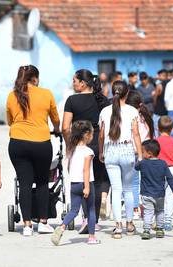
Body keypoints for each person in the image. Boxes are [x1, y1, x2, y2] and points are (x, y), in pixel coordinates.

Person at [6, 65, 60, 236]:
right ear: (35, 79)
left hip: (18, 143)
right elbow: (55, 119)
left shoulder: (12, 95)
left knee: (25, 184)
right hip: (41, 143)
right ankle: (43, 222)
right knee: (43, 182)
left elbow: (9, 121)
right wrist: (57, 129)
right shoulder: (46, 93)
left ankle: (27, 225)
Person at [62, 69, 109, 233]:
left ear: (82, 83)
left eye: (74, 80)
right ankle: (94, 218)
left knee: (82, 181)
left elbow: (65, 128)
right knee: (97, 180)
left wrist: (70, 145)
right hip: (99, 143)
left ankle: (86, 219)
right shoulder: (103, 100)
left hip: (80, 145)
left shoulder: (72, 100)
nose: (73, 83)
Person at [99, 80, 142, 239]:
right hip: (127, 151)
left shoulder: (104, 111)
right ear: (127, 92)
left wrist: (101, 152)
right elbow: (136, 134)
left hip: (110, 150)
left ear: (112, 92)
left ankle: (117, 227)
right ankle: (130, 224)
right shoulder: (132, 111)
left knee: (116, 190)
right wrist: (140, 154)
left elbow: (102, 135)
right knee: (128, 189)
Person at [51, 121, 100, 245]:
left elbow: (68, 167)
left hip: (74, 184)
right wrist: (87, 187)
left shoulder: (71, 150)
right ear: (87, 134)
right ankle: (92, 237)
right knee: (91, 210)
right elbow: (86, 170)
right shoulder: (88, 151)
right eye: (92, 134)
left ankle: (61, 227)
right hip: (85, 184)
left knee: (74, 210)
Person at [134, 139, 173, 240]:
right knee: (160, 211)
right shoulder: (163, 164)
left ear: (149, 154)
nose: (141, 153)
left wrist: (139, 158)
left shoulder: (143, 163)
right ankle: (159, 229)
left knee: (148, 212)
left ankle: (146, 230)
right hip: (160, 194)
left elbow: (135, 167)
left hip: (147, 194)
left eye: (143, 151)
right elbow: (170, 178)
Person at [126, 90, 154, 220]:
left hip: (133, 151)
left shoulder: (130, 117)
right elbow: (151, 135)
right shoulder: (146, 117)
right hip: (147, 151)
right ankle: (148, 207)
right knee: (146, 181)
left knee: (133, 182)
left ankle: (135, 208)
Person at [156, 116, 173, 231]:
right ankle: (167, 222)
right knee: (171, 197)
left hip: (159, 170)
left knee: (157, 196)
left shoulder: (155, 141)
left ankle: (157, 221)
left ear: (158, 128)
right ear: (172, 129)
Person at [153, 69, 169, 136]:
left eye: (159, 75)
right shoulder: (170, 85)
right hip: (166, 110)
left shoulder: (159, 85)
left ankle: (157, 142)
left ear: (163, 76)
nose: (158, 77)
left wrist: (154, 105)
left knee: (156, 129)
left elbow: (155, 98)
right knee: (165, 129)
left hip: (158, 110)